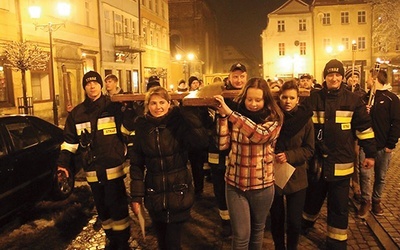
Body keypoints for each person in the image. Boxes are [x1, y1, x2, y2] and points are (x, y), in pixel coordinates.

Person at [301, 59, 376, 249]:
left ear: (342, 77)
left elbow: (364, 129)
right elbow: (298, 122)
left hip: (341, 165)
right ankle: (305, 224)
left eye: (337, 75)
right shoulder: (314, 99)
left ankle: (336, 243)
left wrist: (370, 154)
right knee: (312, 200)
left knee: (339, 208)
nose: (333, 78)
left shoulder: (352, 100)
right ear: (324, 77)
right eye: (330, 75)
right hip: (317, 164)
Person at [56, 71, 131, 249]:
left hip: (113, 168)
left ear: (101, 85)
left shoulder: (112, 106)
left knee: (118, 209)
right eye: (88, 84)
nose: (92, 86)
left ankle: (122, 242)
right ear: (84, 87)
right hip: (92, 171)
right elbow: (69, 142)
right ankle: (111, 238)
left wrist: (129, 110)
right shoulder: (77, 113)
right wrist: (63, 163)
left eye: (95, 83)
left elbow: (128, 130)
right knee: (103, 209)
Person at [128, 87, 208, 250]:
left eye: (162, 102)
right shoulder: (142, 127)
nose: (158, 107)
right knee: (162, 243)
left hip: (177, 192)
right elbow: (136, 164)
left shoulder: (178, 123)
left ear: (169, 103)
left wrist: (186, 113)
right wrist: (136, 196)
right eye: (153, 103)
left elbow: (200, 141)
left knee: (172, 243)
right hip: (154, 194)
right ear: (147, 105)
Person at [214, 77, 283, 250]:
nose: (253, 104)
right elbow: (223, 144)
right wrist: (222, 117)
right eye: (249, 99)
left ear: (265, 99)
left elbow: (259, 136)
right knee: (241, 235)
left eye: (258, 100)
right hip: (235, 184)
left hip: (262, 185)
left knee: (257, 231)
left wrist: (230, 114)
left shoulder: (274, 118)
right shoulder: (236, 114)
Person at [270, 80, 315, 250]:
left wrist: (289, 155)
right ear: (279, 98)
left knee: (295, 221)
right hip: (274, 175)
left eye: (291, 97)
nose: (287, 101)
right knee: (276, 219)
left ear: (298, 99)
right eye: (284, 97)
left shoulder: (305, 120)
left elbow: (310, 149)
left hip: (297, 177)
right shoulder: (273, 118)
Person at [207, 62, 247, 237]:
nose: (238, 80)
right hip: (218, 150)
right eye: (235, 76)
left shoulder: (248, 96)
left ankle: (240, 220)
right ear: (229, 76)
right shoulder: (217, 94)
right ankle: (225, 221)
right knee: (220, 186)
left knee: (239, 188)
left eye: (241, 76)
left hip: (240, 150)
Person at [357, 69, 400, 218]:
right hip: (367, 144)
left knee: (380, 176)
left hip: (383, 146)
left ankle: (376, 201)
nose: (366, 81)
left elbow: (396, 122)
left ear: (374, 79)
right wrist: (364, 111)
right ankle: (365, 201)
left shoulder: (391, 98)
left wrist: (391, 144)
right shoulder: (365, 98)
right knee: (364, 174)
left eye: (368, 78)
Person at [344, 68, 367, 203]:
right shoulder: (343, 92)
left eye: (356, 77)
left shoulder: (362, 93)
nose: (353, 79)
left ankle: (356, 185)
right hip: (345, 131)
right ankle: (346, 186)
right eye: (351, 77)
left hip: (355, 133)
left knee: (355, 158)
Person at [186, 75, 207, 197]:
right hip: (191, 138)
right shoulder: (186, 99)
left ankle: (200, 187)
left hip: (202, 136)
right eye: (193, 83)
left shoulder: (202, 98)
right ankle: (196, 188)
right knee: (195, 165)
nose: (195, 85)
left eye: (196, 83)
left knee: (201, 165)